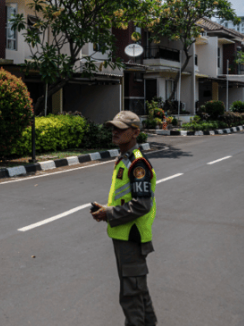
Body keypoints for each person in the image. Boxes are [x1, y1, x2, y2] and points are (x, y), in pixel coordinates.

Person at [91, 111, 157, 326]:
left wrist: (109, 214)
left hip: (132, 238)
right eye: (113, 128)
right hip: (123, 236)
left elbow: (142, 205)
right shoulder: (124, 160)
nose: (115, 132)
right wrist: (107, 209)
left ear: (135, 132)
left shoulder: (137, 165)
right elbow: (125, 199)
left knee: (131, 296)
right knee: (138, 291)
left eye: (120, 129)